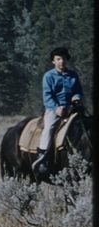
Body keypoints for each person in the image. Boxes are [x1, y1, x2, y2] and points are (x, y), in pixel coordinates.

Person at [33, 47, 84, 178]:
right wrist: (57, 108)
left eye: (64, 59)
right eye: (58, 59)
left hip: (72, 108)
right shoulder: (48, 76)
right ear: (53, 61)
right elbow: (47, 96)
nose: (61, 61)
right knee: (49, 127)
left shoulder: (73, 75)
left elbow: (78, 90)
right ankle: (42, 156)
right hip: (54, 110)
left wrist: (76, 98)